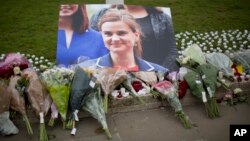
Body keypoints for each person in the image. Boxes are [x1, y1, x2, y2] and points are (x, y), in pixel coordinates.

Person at [90, 5, 178, 71]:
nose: (115, 38)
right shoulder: (101, 15)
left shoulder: (162, 18)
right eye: (108, 33)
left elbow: (173, 51)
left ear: (136, 35)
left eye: (122, 33)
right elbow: (93, 45)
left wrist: (158, 73)